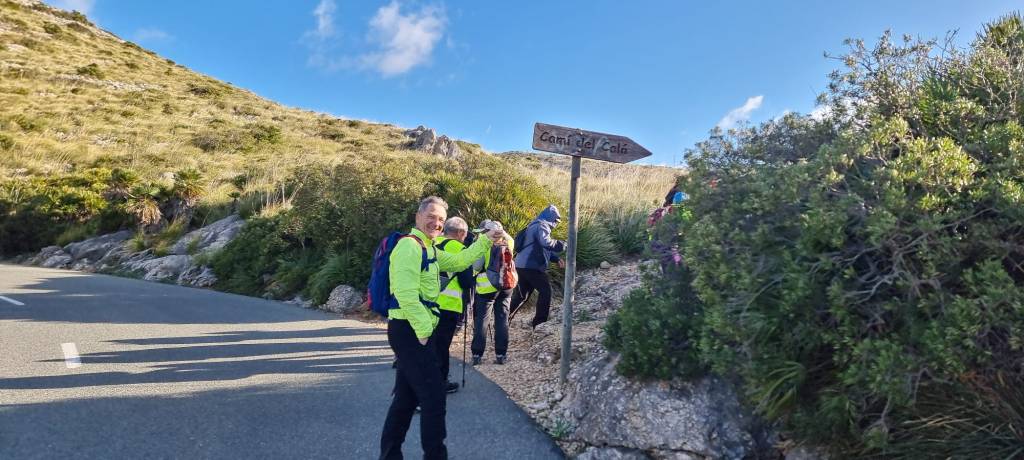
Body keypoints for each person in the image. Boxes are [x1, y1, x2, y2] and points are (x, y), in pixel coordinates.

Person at [380, 196, 501, 460]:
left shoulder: (429, 248)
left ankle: (390, 455)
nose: (436, 223)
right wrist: (425, 332)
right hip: (410, 330)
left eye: (441, 219)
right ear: (418, 216)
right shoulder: (409, 247)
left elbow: (459, 262)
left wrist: (485, 240)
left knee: (405, 399)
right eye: (431, 216)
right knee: (434, 398)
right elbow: (405, 294)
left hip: (414, 329)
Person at [433, 216, 475, 394]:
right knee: (441, 346)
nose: (465, 238)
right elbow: (466, 282)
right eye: (464, 234)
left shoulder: (432, 243)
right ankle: (439, 382)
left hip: (426, 302)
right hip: (448, 305)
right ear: (459, 233)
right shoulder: (460, 249)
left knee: (427, 342)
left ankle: (422, 379)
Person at [508, 205, 566, 329]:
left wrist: (556, 259)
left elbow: (540, 247)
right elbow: (546, 243)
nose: (556, 224)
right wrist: (562, 244)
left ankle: (503, 319)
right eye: (556, 220)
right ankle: (539, 323)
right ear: (551, 218)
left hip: (520, 265)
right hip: (532, 266)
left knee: (522, 296)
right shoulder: (542, 225)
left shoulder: (533, 225)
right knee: (545, 291)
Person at [469, 219, 514, 365]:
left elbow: (476, 266)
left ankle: (477, 354)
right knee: (502, 320)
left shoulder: (484, 242)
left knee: (482, 320)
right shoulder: (509, 241)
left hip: (486, 287)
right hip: (507, 285)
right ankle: (501, 355)